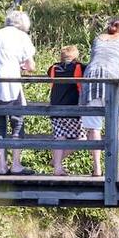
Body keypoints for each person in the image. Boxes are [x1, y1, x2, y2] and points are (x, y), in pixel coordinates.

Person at [0, 10, 36, 175]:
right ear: (23, 25)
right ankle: (16, 165)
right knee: (17, 122)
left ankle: (2, 166)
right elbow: (30, 66)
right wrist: (22, 67)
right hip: (9, 84)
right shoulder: (21, 36)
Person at [79, 17, 119, 177]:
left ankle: (97, 168)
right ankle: (113, 167)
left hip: (91, 78)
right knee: (114, 124)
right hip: (112, 78)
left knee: (94, 126)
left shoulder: (98, 38)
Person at [48, 45, 86, 176]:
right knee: (81, 139)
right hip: (73, 109)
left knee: (59, 136)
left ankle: (57, 166)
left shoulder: (53, 68)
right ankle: (56, 161)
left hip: (55, 108)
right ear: (76, 57)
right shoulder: (79, 67)